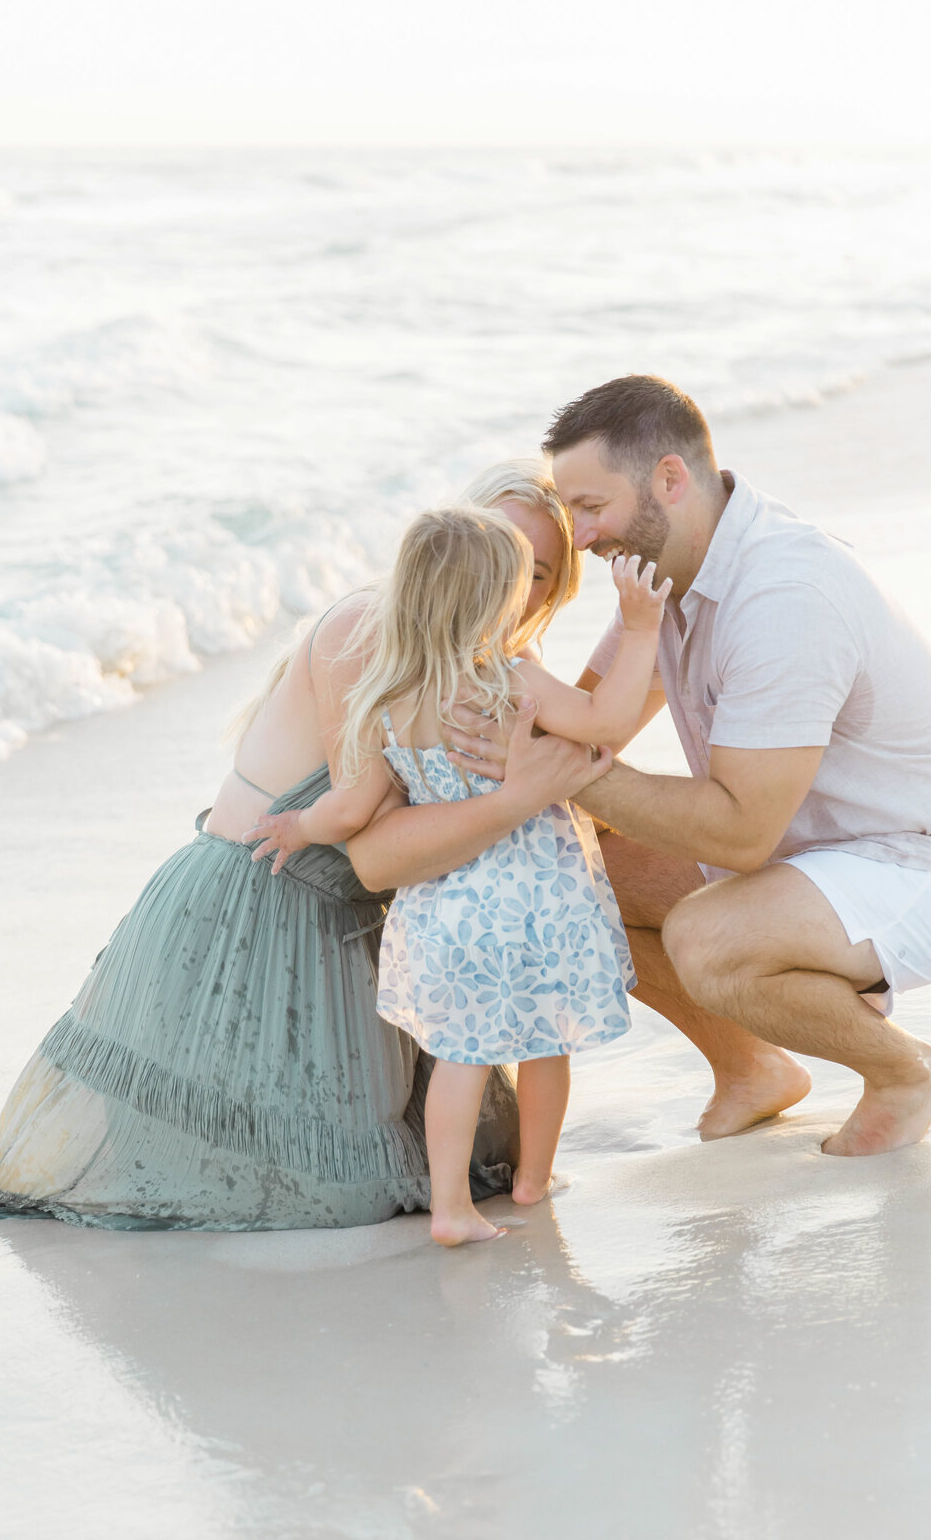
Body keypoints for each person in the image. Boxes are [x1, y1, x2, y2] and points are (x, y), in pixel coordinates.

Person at [0, 462, 606, 1231]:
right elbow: (374, 853)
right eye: (492, 545)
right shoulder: (367, 632)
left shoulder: (493, 672)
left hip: (361, 925)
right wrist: (518, 796)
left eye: (533, 571)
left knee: (464, 1153)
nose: (506, 581)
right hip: (257, 902)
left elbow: (583, 747)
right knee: (334, 1189)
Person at [440, 375, 931, 1158]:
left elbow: (739, 833)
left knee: (709, 939)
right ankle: (753, 1067)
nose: (577, 537)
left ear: (669, 480)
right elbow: (586, 725)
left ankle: (905, 1071)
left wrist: (554, 771)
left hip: (922, 862)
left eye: (590, 508)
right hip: (806, 854)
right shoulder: (667, 573)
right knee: (578, 858)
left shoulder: (783, 594)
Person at [248, 506, 670, 1244]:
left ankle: (450, 1208)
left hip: (446, 910)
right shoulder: (513, 681)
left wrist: (296, 826)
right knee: (545, 1046)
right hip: (537, 900)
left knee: (460, 1058)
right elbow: (605, 721)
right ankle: (533, 1179)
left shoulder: (384, 700)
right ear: (499, 602)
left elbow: (349, 810)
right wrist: (638, 631)